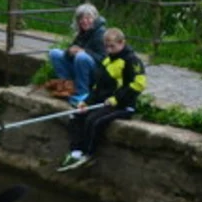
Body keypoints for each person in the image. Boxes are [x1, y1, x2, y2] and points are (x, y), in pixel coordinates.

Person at [57, 27, 144, 172]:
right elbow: (98, 87)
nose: (109, 50)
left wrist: (116, 99)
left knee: (94, 121)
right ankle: (76, 151)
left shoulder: (131, 61)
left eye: (112, 46)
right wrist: (87, 101)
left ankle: (89, 154)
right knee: (76, 115)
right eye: (107, 46)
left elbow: (138, 84)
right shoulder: (107, 61)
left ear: (122, 43)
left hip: (123, 105)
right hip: (104, 102)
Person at [47, 3, 106, 107]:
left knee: (81, 57)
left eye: (88, 18)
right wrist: (69, 52)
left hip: (95, 73)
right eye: (81, 19)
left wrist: (84, 51)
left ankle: (82, 93)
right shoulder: (81, 33)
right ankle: (67, 85)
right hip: (79, 67)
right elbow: (68, 54)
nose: (84, 21)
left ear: (94, 18)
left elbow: (103, 59)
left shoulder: (100, 34)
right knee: (54, 53)